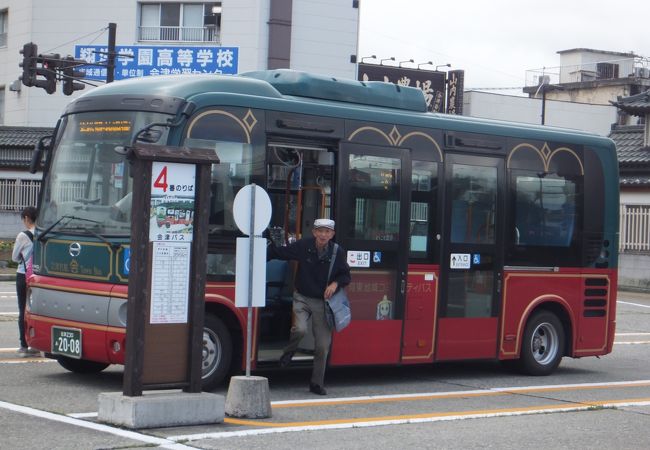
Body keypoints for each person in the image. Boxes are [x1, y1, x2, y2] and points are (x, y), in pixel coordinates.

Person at [267, 218, 351, 395]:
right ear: (313, 232)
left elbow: (345, 276)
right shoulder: (303, 245)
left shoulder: (337, 252)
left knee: (322, 345)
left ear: (332, 235)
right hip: (302, 297)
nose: (323, 234)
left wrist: (335, 284)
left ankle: (316, 383)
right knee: (300, 329)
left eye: (327, 232)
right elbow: (281, 253)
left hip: (323, 303)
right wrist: (264, 246)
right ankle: (289, 353)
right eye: (320, 231)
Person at [11, 206, 38, 357]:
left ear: (27, 218)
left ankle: (24, 345)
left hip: (23, 275)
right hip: (38, 276)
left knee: (23, 310)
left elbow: (15, 257)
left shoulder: (23, 235)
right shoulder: (42, 233)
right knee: (35, 310)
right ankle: (36, 344)